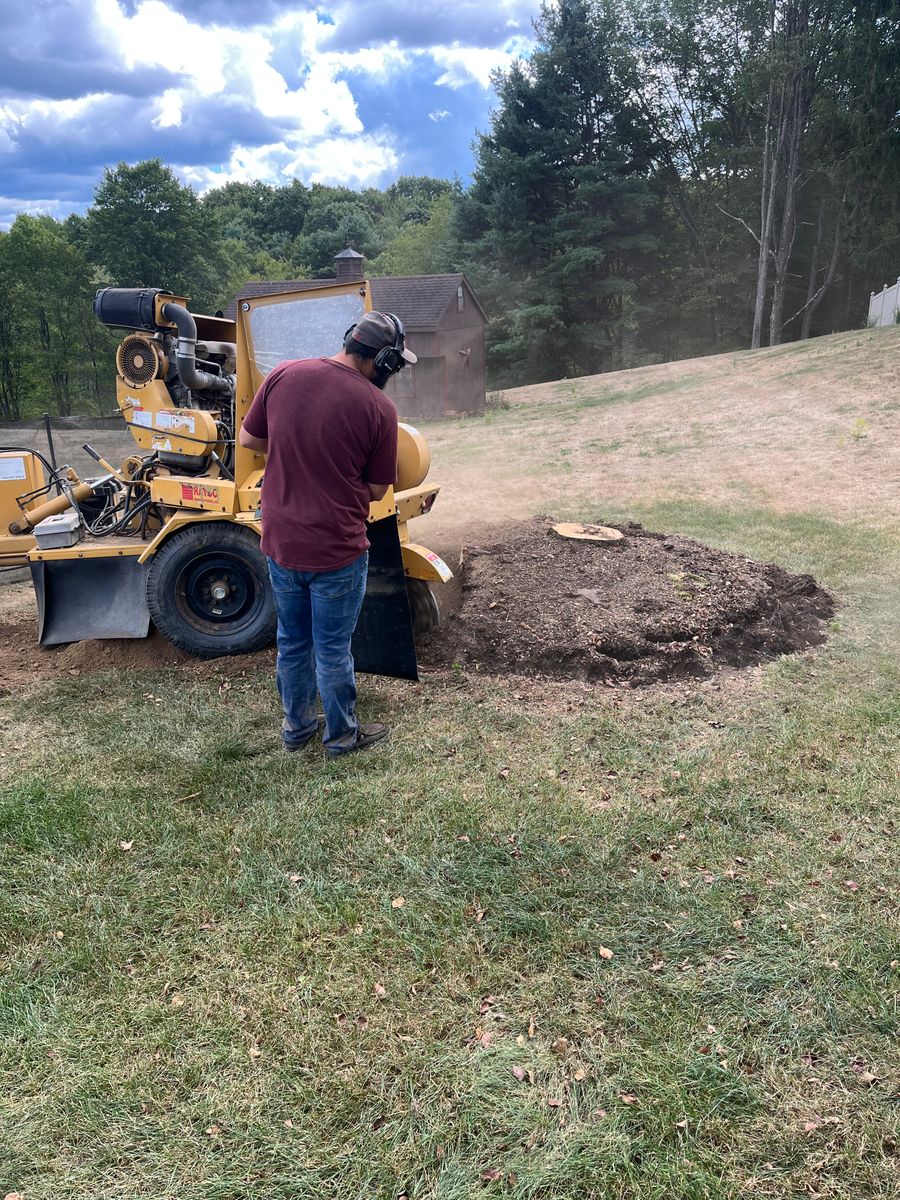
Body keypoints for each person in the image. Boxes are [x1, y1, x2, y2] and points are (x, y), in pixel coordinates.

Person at [239, 311, 416, 757]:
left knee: (292, 643)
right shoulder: (378, 408)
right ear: (386, 359)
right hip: (336, 550)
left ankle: (296, 731)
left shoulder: (284, 374)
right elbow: (378, 489)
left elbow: (249, 440)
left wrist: (296, 450)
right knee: (333, 648)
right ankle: (340, 737)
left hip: (281, 543)